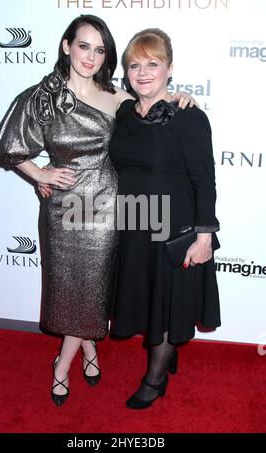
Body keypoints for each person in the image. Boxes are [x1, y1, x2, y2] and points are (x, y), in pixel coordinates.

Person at [0, 15, 194, 407]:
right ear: (66, 46)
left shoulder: (117, 96)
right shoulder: (42, 97)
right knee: (70, 291)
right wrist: (38, 172)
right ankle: (76, 358)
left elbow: (154, 104)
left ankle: (71, 360)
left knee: (95, 292)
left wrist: (182, 97)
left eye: (100, 50)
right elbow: (5, 146)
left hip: (110, 209)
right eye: (83, 46)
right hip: (65, 210)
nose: (91, 56)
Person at [108, 28, 221, 409]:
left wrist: (204, 236)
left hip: (175, 229)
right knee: (149, 300)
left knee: (169, 301)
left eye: (152, 64)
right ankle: (167, 351)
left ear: (169, 68)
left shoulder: (189, 117)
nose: (142, 72)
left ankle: (154, 380)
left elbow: (205, 180)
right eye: (134, 65)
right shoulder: (123, 112)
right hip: (135, 223)